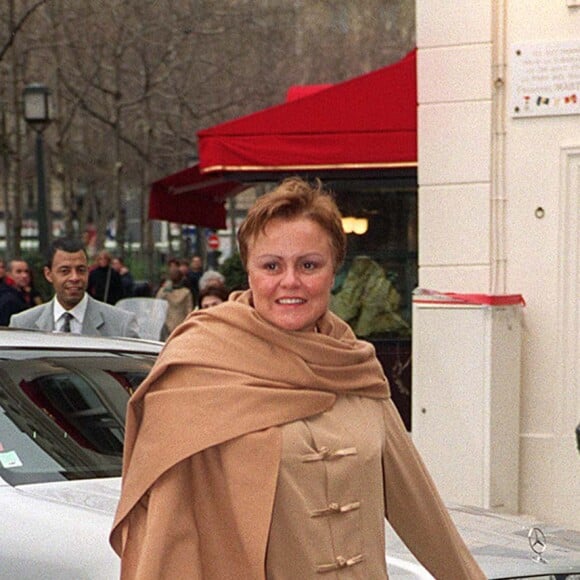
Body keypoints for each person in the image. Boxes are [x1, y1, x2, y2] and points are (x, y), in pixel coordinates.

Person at [110, 178, 484, 579]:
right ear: (248, 271)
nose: (290, 282)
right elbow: (169, 534)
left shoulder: (355, 366)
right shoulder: (198, 368)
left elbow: (421, 509)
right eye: (271, 266)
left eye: (309, 265)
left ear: (333, 271)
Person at [10, 238, 139, 338]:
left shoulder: (121, 324)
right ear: (48, 274)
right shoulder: (22, 324)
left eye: (81, 270)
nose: (75, 278)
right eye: (65, 271)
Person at [155, 257, 194, 337]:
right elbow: (189, 310)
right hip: (175, 324)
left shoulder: (164, 291)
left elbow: (157, 306)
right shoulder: (185, 292)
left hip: (172, 324)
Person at [0, 259, 35, 326]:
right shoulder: (8, 299)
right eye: (18, 272)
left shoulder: (27, 294)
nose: (24, 275)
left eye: (26, 271)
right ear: (9, 274)